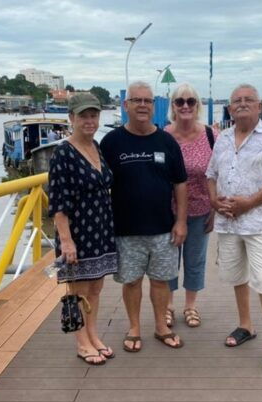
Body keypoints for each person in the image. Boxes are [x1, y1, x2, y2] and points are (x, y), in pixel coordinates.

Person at [206, 83, 262, 371]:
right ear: (230, 109)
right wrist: (213, 201)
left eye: (249, 100)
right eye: (237, 101)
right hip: (229, 223)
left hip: (258, 224)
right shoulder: (222, 138)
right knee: (238, 277)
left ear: (259, 107)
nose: (242, 104)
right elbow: (211, 174)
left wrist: (249, 203)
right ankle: (246, 326)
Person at [100, 81, 188, 352]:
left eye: (147, 101)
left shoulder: (166, 140)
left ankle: (161, 326)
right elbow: (100, 184)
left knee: (161, 281)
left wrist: (181, 221)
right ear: (125, 105)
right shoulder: (111, 142)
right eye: (136, 100)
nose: (141, 105)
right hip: (125, 228)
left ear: (154, 106)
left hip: (163, 227)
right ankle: (134, 327)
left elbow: (180, 183)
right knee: (132, 281)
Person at [48, 92, 117, 365]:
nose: (89, 121)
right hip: (76, 232)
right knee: (78, 290)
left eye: (93, 115)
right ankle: (81, 342)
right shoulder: (62, 153)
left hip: (100, 229)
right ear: (71, 118)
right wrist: (66, 241)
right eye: (83, 116)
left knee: (96, 289)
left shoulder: (96, 147)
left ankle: (93, 335)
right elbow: (57, 203)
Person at [163, 83, 216, 329]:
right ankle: (168, 306)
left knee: (195, 259)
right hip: (168, 211)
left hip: (200, 209)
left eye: (191, 101)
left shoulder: (210, 135)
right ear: (173, 106)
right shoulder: (163, 135)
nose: (185, 106)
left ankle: (190, 306)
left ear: (198, 106)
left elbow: (219, 173)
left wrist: (215, 208)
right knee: (169, 259)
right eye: (180, 101)